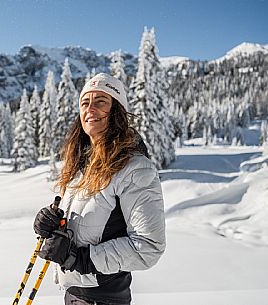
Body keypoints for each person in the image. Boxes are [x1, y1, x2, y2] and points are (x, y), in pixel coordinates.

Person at [34, 73, 166, 305]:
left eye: (101, 102)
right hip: (75, 293)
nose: (90, 109)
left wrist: (78, 259)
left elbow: (148, 246)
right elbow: (86, 225)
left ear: (117, 111)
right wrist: (52, 222)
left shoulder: (135, 168)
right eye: (85, 103)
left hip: (104, 298)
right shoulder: (81, 165)